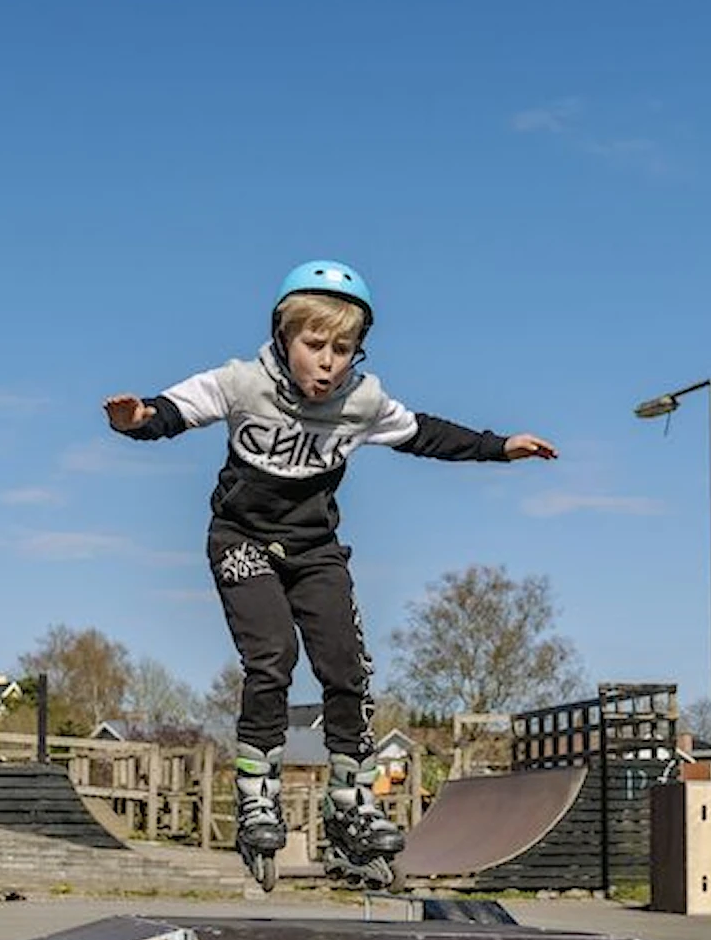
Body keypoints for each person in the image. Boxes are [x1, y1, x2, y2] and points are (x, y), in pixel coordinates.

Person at [103, 259, 557, 882]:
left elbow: (424, 433)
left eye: (342, 350)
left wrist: (498, 447)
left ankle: (351, 800)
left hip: (315, 549)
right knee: (273, 657)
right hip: (242, 540)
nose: (327, 364)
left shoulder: (361, 402)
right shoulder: (241, 383)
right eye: (314, 345)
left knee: (348, 668)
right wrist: (136, 421)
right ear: (283, 337)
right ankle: (257, 791)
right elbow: (173, 411)